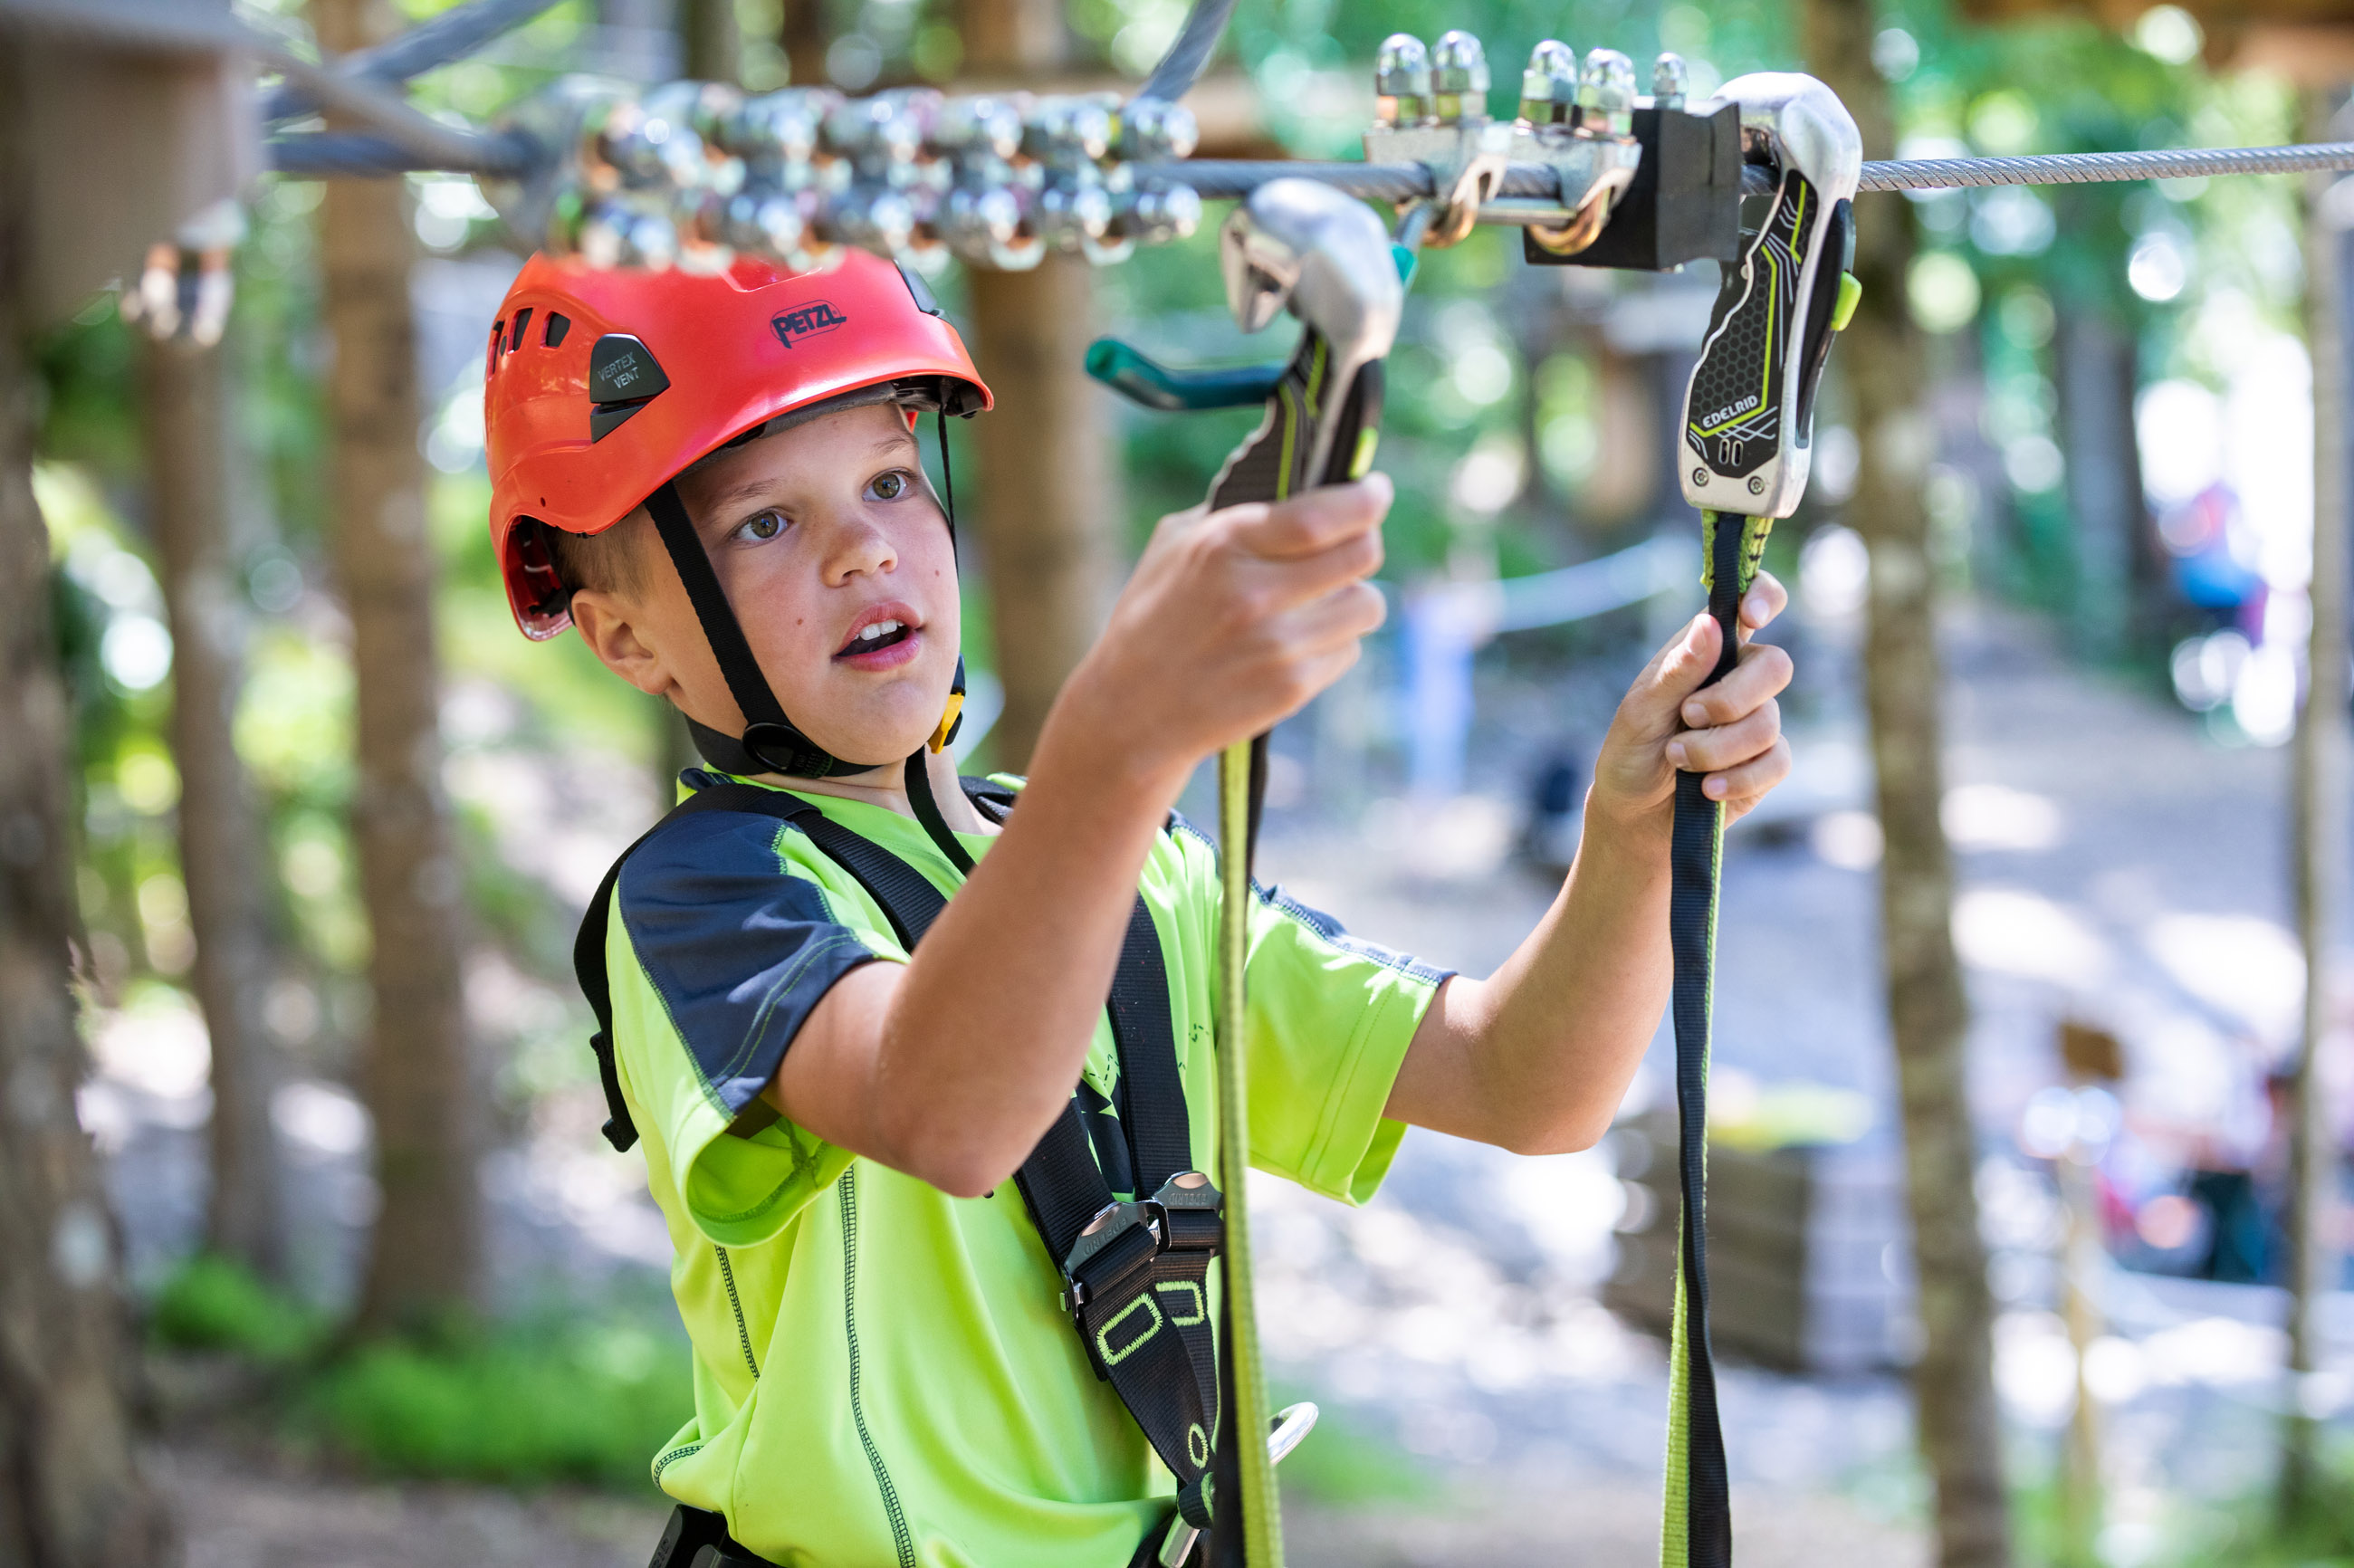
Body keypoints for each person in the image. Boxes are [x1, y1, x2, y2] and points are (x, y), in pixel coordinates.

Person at [483, 248, 1794, 1568]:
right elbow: (944, 1109)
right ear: (629, 640)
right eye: (765, 520)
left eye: (889, 480)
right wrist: (1118, 740)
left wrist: (1630, 836)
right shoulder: (707, 895)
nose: (862, 547)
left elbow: (1525, 1080)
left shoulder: (1125, 862)